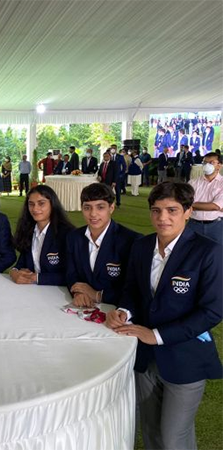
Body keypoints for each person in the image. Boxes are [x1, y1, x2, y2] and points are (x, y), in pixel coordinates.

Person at [106, 181, 223, 450]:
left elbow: (212, 310)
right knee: (150, 431)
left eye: (172, 210)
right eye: (156, 210)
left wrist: (156, 335)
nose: (163, 218)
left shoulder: (208, 251)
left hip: (185, 358)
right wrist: (123, 311)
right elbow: (132, 290)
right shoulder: (142, 246)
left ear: (188, 212)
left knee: (174, 438)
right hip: (145, 360)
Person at [66, 183, 141, 307]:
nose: (93, 214)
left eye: (100, 207)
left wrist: (97, 295)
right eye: (87, 207)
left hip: (116, 311)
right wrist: (78, 292)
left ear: (111, 208)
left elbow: (134, 288)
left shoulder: (131, 241)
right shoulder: (74, 237)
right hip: (82, 307)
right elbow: (71, 274)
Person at [10, 185, 74, 286]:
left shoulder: (67, 234)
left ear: (52, 204)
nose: (35, 208)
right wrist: (14, 272)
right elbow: (21, 264)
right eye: (31, 204)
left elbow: (72, 275)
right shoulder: (28, 230)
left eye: (41, 203)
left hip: (57, 293)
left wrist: (38, 278)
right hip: (31, 291)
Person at [187, 152, 223, 245]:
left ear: (219, 165)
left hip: (216, 226)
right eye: (205, 162)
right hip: (193, 224)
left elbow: (215, 206)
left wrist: (192, 205)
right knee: (191, 254)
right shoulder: (193, 183)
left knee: (217, 255)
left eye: (211, 162)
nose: (207, 165)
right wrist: (212, 206)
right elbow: (185, 202)